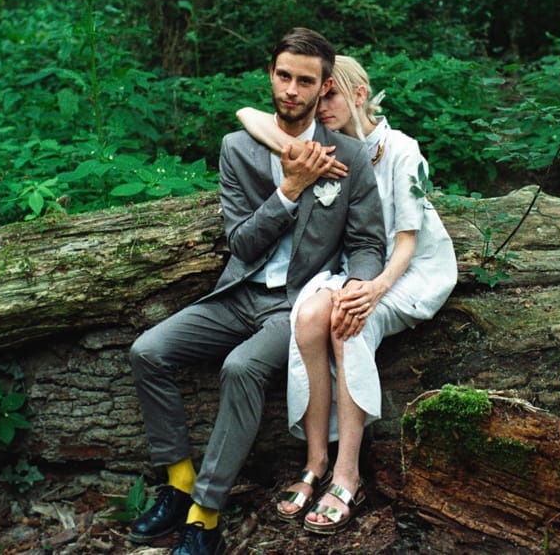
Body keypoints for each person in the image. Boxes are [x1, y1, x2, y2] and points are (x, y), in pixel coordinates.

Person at [128, 29, 386, 555]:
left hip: (295, 304)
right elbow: (242, 241)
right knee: (147, 352)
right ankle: (179, 482)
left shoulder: (350, 157)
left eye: (305, 81)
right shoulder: (238, 149)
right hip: (239, 293)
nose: (291, 89)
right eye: (284, 75)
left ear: (324, 87)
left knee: (241, 368)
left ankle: (206, 512)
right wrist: (290, 189)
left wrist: (360, 286)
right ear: (270, 74)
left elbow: (367, 243)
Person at [237, 54, 457, 535]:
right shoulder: (329, 149)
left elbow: (407, 239)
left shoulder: (401, 150)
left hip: (409, 272)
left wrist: (374, 291)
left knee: (345, 317)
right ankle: (314, 460)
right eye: (320, 95)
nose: (320, 103)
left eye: (330, 94)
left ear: (359, 95)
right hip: (359, 267)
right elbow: (248, 117)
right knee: (309, 314)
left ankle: (348, 473)